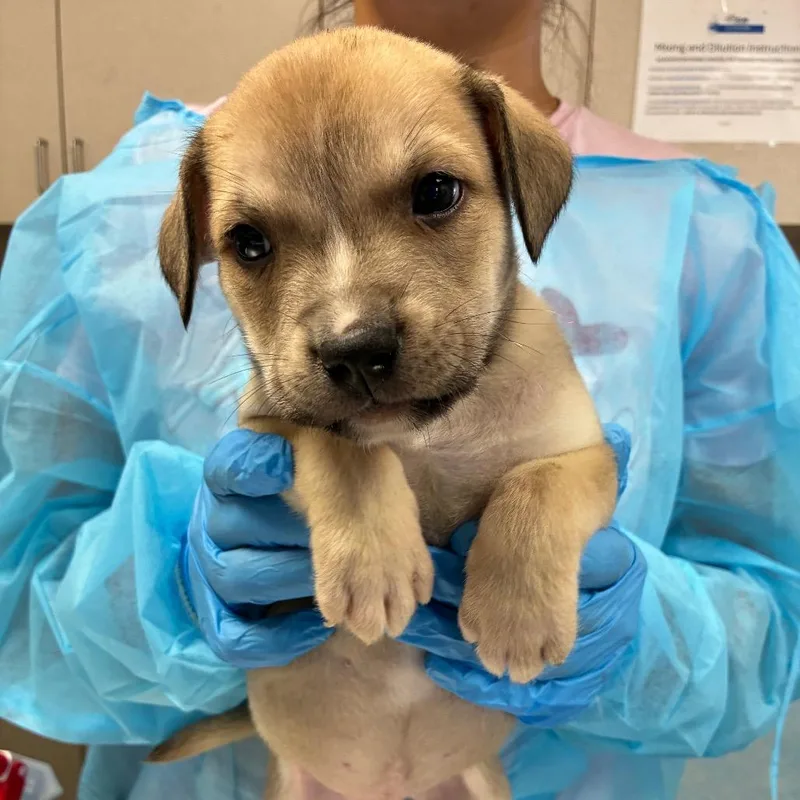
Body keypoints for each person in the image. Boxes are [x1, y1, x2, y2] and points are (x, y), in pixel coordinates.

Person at [0, 1, 798, 799]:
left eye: (434, 193)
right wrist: (169, 591)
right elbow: (18, 624)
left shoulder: (709, 233)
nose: (349, 326)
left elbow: (772, 628)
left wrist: (643, 640)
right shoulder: (114, 212)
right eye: (252, 244)